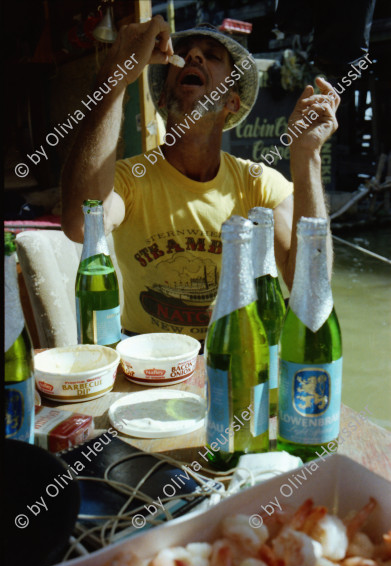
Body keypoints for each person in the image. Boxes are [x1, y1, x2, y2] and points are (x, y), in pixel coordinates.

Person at [61, 16, 340, 343]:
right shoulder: (130, 179)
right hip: (149, 365)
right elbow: (81, 225)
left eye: (211, 55)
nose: (193, 56)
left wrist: (307, 156)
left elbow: (309, 285)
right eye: (185, 52)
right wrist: (115, 75)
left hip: (239, 360)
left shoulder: (258, 183)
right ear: (162, 99)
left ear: (231, 102)